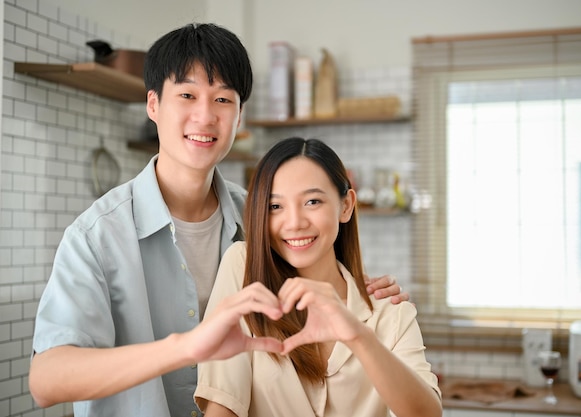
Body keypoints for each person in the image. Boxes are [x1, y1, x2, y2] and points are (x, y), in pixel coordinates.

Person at [28, 23, 406, 417]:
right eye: (188, 95)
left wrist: (361, 291)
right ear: (153, 105)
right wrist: (185, 347)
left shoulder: (262, 220)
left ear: (239, 115)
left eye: (223, 100)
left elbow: (319, 288)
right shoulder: (97, 235)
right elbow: (46, 381)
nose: (205, 116)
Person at [194, 137, 442, 417]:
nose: (295, 222)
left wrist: (360, 337)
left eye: (312, 201)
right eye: (275, 207)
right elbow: (222, 404)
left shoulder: (390, 314)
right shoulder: (243, 268)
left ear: (346, 206)